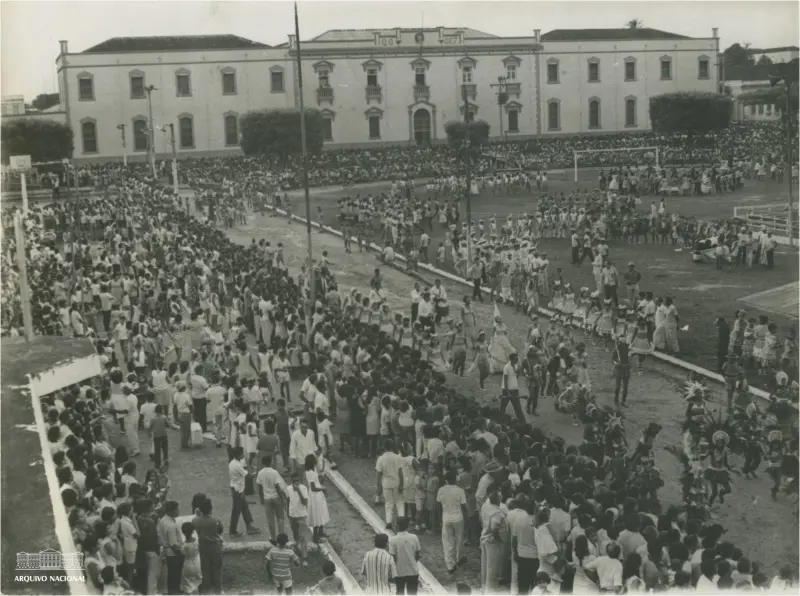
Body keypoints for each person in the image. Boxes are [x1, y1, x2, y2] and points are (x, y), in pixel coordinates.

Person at [437, 470, 468, 574]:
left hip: (446, 518)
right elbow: (464, 506)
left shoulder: (441, 490)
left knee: (447, 542)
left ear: (446, 480)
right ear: (456, 479)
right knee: (459, 540)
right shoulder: (460, 490)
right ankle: (459, 559)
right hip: (458, 518)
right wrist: (466, 517)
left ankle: (450, 565)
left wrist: (439, 519)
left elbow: (438, 505)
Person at [192, 496, 224, 595]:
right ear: (210, 508)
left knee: (205, 569)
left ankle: (207, 589)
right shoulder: (216, 520)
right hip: (215, 546)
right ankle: (218, 590)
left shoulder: (195, 520)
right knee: (217, 569)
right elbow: (220, 531)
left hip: (203, 546)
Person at [228, 446, 260, 537]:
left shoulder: (234, 463)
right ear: (238, 455)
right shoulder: (236, 465)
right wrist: (257, 473)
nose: (243, 455)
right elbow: (248, 476)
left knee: (245, 508)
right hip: (237, 490)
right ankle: (232, 531)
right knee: (236, 511)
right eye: (242, 453)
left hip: (238, 489)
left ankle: (249, 527)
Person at [257, 454, 287, 541]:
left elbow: (259, 488)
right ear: (270, 462)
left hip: (267, 498)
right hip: (276, 497)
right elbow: (277, 486)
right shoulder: (274, 472)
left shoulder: (260, 473)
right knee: (280, 517)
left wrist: (262, 499)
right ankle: (282, 537)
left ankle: (273, 538)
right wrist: (283, 498)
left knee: (270, 519)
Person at [375, 438, 404, 528]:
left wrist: (378, 485)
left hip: (386, 483)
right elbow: (400, 472)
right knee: (399, 501)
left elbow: (379, 473)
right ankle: (401, 520)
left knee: (388, 503)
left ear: (384, 447)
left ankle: (388, 522)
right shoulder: (397, 457)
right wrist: (402, 484)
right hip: (396, 482)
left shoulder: (381, 458)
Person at [388, 517, 421, 594]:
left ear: (397, 526)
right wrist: (412, 561)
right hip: (413, 570)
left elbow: (393, 557)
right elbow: (418, 555)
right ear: (407, 526)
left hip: (399, 571)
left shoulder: (393, 540)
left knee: (399, 591)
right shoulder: (414, 537)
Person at [157, 500, 184, 595]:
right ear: (171, 511)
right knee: (175, 575)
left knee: (171, 575)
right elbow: (173, 544)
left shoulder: (163, 520)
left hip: (167, 551)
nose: (178, 511)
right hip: (173, 554)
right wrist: (182, 553)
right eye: (177, 509)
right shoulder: (171, 525)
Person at [304, 453, 330, 543]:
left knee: (321, 512)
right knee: (317, 514)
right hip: (315, 495)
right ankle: (315, 537)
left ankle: (321, 532)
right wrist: (323, 488)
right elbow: (313, 487)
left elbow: (317, 480)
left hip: (318, 494)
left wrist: (321, 478)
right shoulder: (309, 472)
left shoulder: (313, 469)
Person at [180, 522, 202, 595]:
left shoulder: (184, 545)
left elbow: (182, 554)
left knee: (188, 585)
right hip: (197, 564)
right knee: (197, 583)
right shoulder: (197, 541)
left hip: (188, 564)